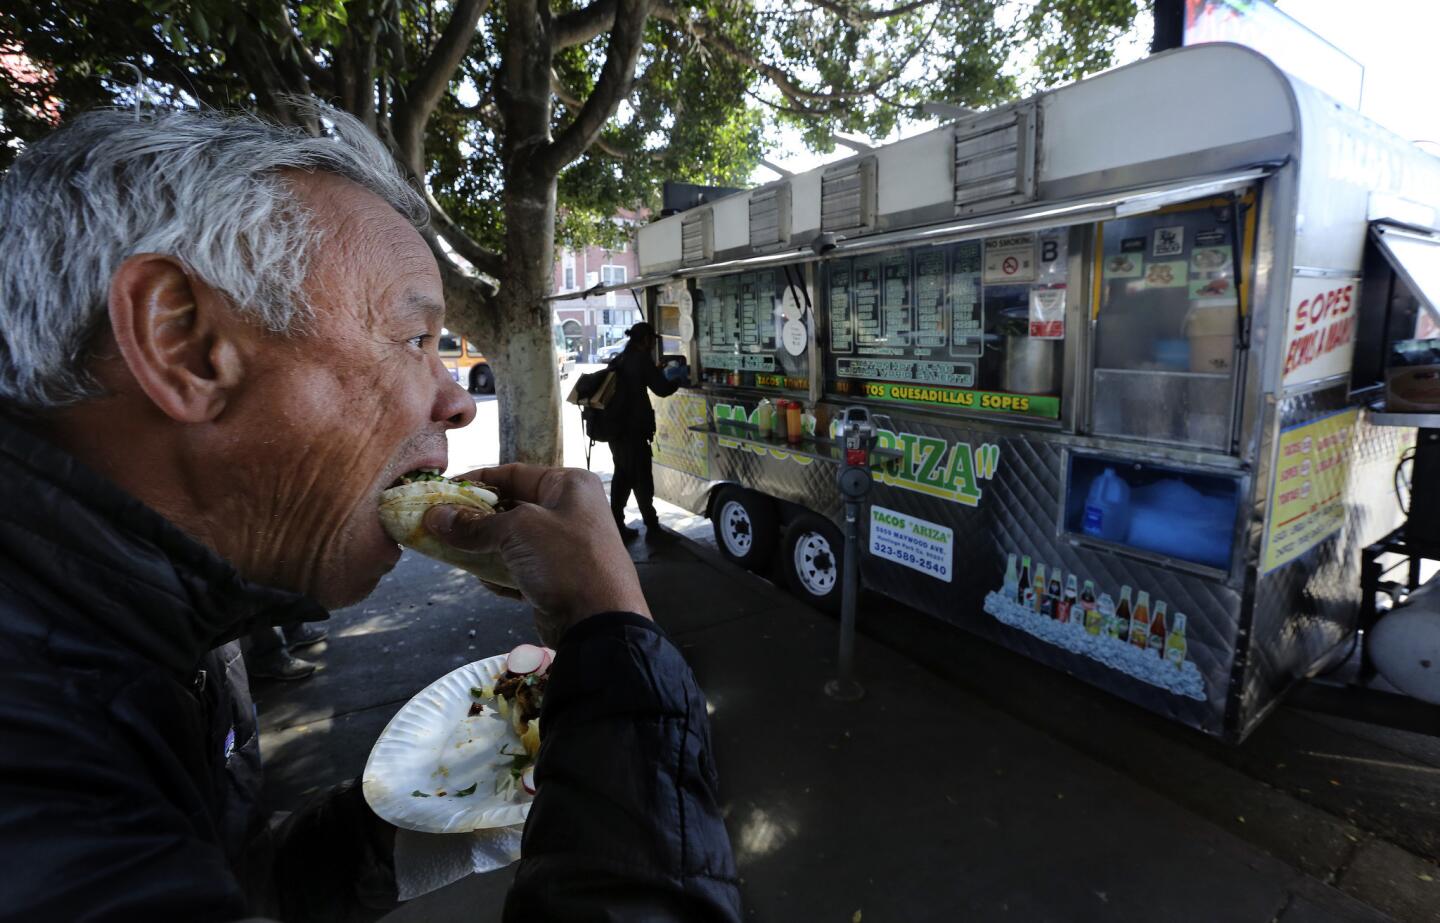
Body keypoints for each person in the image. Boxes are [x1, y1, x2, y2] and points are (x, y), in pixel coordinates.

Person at [0, 104, 739, 922]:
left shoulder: (172, 631)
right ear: (184, 342)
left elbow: (226, 872)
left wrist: (394, 835)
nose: (457, 400)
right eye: (414, 337)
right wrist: (620, 657)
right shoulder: (36, 773)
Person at [608, 321, 685, 540]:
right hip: (633, 432)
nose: (653, 344)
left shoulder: (620, 358)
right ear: (645, 340)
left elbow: (635, 381)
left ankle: (617, 527)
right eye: (652, 339)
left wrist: (654, 371)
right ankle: (652, 528)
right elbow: (661, 389)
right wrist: (678, 378)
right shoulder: (641, 359)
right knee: (642, 480)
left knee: (622, 477)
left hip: (617, 432)